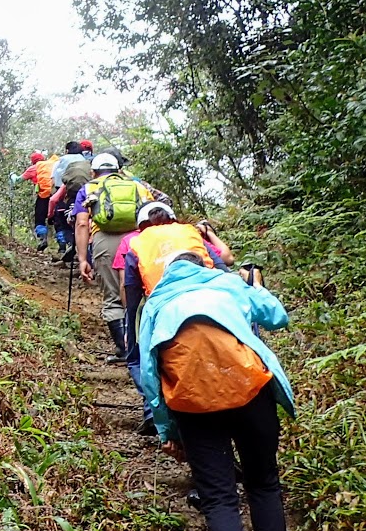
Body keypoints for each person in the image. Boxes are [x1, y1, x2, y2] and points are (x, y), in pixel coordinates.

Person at [132, 254, 298, 531]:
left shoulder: (156, 304)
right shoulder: (227, 284)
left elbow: (151, 372)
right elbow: (277, 317)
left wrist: (166, 430)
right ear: (203, 267)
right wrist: (254, 285)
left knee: (220, 498)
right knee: (263, 481)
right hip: (251, 392)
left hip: (194, 405)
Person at [118, 202, 231, 432]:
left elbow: (132, 299)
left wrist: (131, 332)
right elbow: (224, 272)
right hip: (210, 302)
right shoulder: (190, 233)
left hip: (165, 309)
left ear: (141, 226)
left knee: (136, 358)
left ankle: (153, 411)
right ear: (173, 218)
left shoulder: (136, 245)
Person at [74, 153, 154, 360]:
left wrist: (82, 259)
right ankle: (149, 346)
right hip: (139, 241)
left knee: (113, 296)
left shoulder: (88, 189)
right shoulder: (138, 187)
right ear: (119, 171)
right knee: (146, 291)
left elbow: (82, 223)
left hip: (104, 241)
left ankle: (125, 350)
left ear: (93, 172)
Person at [22, 151, 58, 251]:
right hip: (57, 194)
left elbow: (18, 179)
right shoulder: (53, 164)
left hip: (43, 197)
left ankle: (42, 239)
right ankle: (63, 246)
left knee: (40, 218)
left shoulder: (34, 168)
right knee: (59, 220)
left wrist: (12, 176)